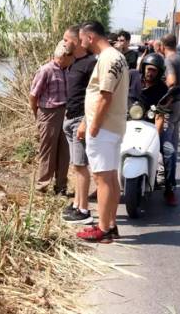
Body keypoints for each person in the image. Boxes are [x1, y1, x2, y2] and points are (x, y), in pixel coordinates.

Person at [75, 21, 129, 243]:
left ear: (90, 37)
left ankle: (103, 228)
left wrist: (93, 125)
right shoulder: (118, 56)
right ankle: (111, 224)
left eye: (81, 39)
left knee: (102, 179)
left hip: (104, 128)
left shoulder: (107, 59)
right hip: (113, 126)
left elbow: (105, 95)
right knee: (111, 177)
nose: (81, 43)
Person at [61, 25, 97, 224]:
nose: (63, 43)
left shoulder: (91, 64)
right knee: (75, 165)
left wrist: (84, 121)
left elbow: (95, 96)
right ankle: (76, 203)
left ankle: (84, 210)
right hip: (70, 118)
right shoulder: (74, 62)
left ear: (75, 40)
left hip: (80, 120)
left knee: (81, 165)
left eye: (66, 40)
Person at [29, 41, 74, 195]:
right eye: (71, 56)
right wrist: (38, 115)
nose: (73, 59)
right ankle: (42, 187)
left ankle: (61, 187)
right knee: (48, 151)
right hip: (48, 113)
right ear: (63, 56)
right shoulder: (46, 70)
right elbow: (33, 96)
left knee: (64, 151)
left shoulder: (67, 70)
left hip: (65, 113)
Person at [161, 33, 180, 206]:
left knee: (166, 147)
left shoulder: (168, 60)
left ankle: (169, 187)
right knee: (173, 148)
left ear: (163, 45)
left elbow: (172, 83)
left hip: (171, 106)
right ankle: (170, 183)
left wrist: (164, 103)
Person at [137, 53, 168, 133]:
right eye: (149, 69)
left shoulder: (163, 89)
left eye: (154, 70)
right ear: (144, 68)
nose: (150, 73)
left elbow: (160, 117)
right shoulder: (132, 77)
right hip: (126, 124)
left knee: (167, 145)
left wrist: (156, 137)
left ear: (159, 72)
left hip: (148, 127)